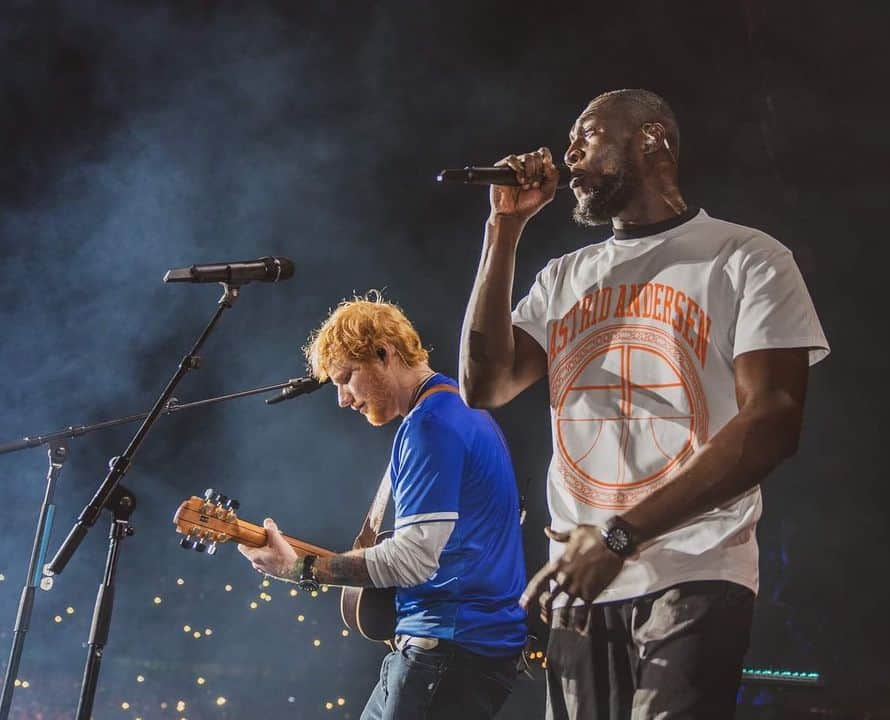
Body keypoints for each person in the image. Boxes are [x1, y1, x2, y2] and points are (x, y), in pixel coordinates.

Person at [459, 89, 830, 719]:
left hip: (694, 568)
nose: (569, 152)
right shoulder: (564, 277)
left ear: (652, 140)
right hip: (582, 581)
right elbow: (483, 385)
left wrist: (619, 536)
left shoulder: (748, 258)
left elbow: (772, 421)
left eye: (589, 135)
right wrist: (505, 229)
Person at [240, 292, 527, 720]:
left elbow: (412, 561)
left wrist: (299, 569)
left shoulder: (431, 426)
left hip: (447, 650)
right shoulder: (459, 412)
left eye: (345, 377)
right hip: (451, 650)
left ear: (383, 353)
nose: (342, 398)